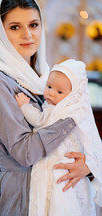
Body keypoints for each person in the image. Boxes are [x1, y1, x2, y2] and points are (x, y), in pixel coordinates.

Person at [0, 0, 91, 216]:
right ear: (1, 31)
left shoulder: (46, 77)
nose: (28, 35)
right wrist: (71, 119)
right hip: (24, 194)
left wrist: (87, 165)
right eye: (15, 27)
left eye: (34, 25)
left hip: (61, 189)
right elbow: (24, 153)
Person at [15, 59, 102, 216]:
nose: (51, 93)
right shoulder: (75, 111)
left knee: (61, 199)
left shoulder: (61, 112)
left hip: (63, 167)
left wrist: (24, 106)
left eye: (60, 92)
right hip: (64, 167)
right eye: (49, 86)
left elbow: (39, 121)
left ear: (74, 95)